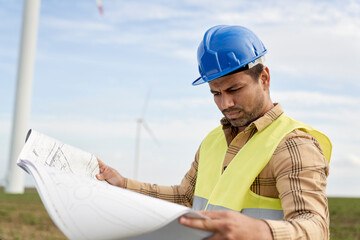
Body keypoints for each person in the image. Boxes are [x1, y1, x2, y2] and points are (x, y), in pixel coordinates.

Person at [96, 25, 332, 240]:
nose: (225, 103)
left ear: (264, 78)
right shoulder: (213, 140)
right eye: (215, 93)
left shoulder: (293, 144)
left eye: (234, 89)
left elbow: (314, 226)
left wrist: (261, 231)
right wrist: (123, 184)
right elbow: (185, 198)